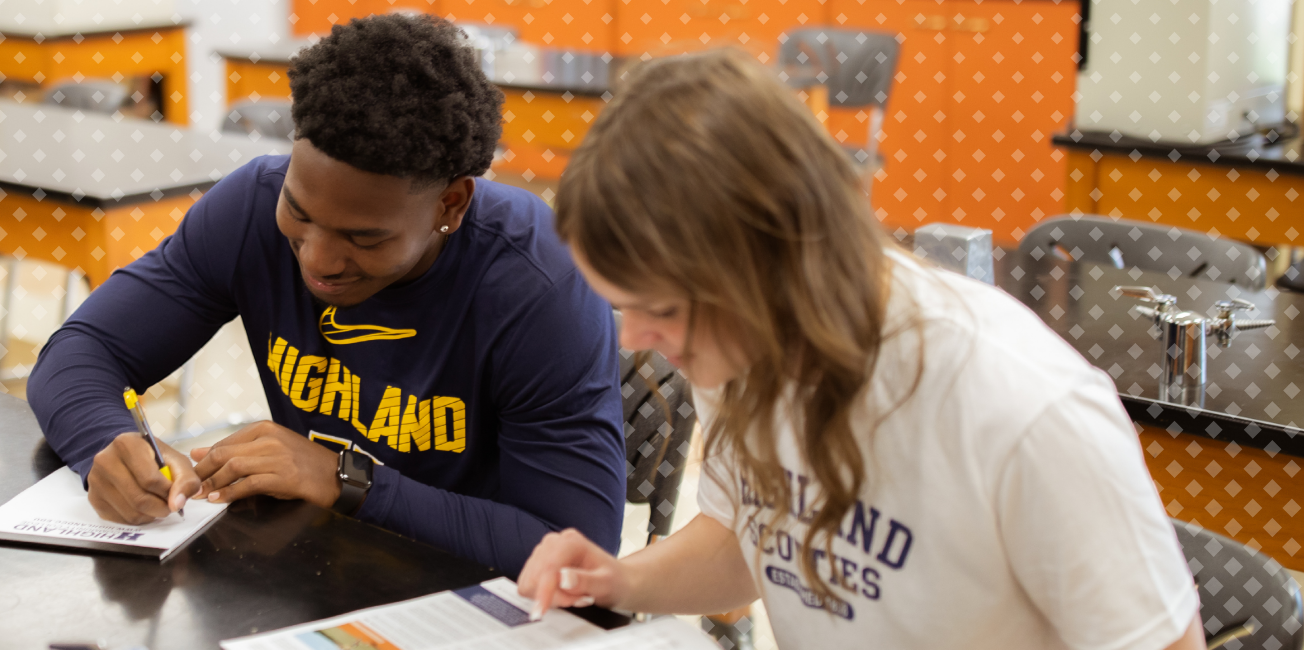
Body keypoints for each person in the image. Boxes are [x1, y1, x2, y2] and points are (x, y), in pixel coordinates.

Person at [513, 50, 1203, 648]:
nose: (633, 342)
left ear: (773, 257)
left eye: (660, 310)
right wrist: (622, 581)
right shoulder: (742, 348)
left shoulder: (1022, 410)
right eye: (623, 307)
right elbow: (747, 540)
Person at [28, 13, 625, 574]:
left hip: (468, 596)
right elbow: (80, 353)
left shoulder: (541, 286)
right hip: (309, 571)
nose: (317, 259)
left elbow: (575, 551)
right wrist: (110, 442)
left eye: (365, 237)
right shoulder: (249, 209)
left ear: (451, 204)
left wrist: (347, 480)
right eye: (299, 210)